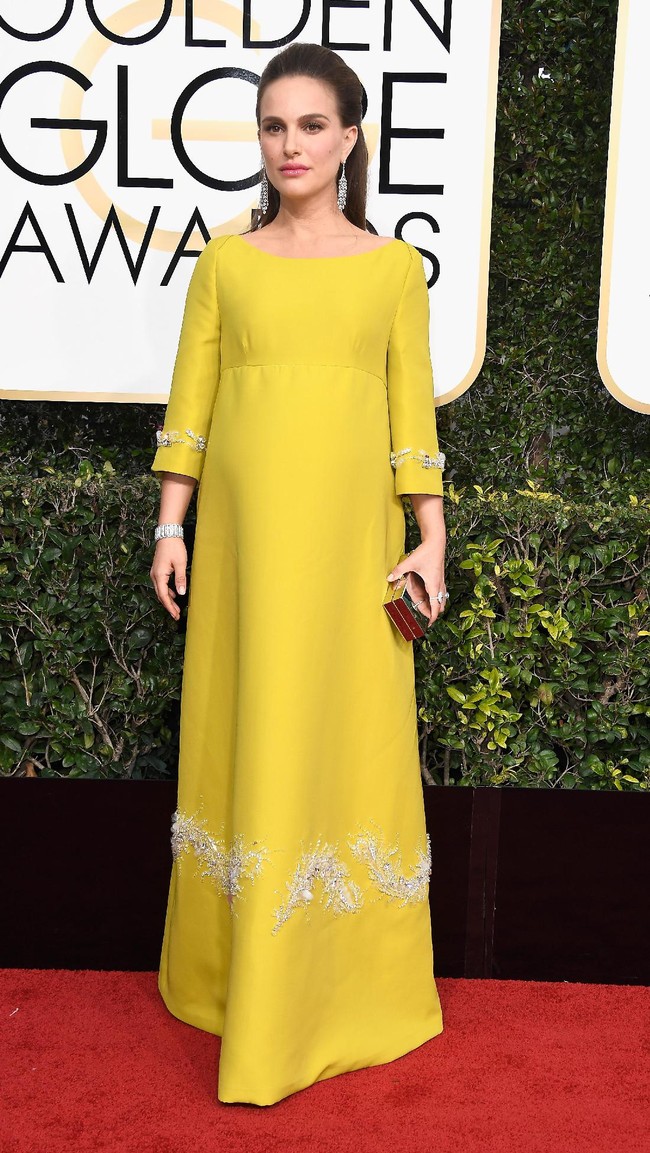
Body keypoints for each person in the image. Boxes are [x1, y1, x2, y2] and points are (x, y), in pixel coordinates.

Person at [149, 41, 448, 1107]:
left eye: (311, 125)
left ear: (351, 136)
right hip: (239, 543)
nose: (290, 145)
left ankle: (338, 981)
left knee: (339, 727)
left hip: (344, 543)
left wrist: (429, 536)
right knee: (250, 717)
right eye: (274, 126)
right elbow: (191, 404)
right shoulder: (223, 263)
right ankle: (233, 971)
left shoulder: (391, 268)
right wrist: (169, 528)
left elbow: (409, 413)